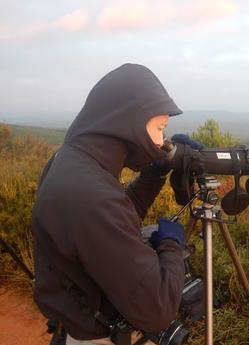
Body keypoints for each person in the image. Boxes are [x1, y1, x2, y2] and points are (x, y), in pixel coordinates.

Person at [32, 63, 194, 345]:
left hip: (76, 318)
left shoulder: (71, 160)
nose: (161, 141)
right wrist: (172, 244)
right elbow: (157, 309)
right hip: (98, 335)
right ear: (126, 123)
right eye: (159, 128)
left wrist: (154, 174)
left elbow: (111, 218)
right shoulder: (91, 195)